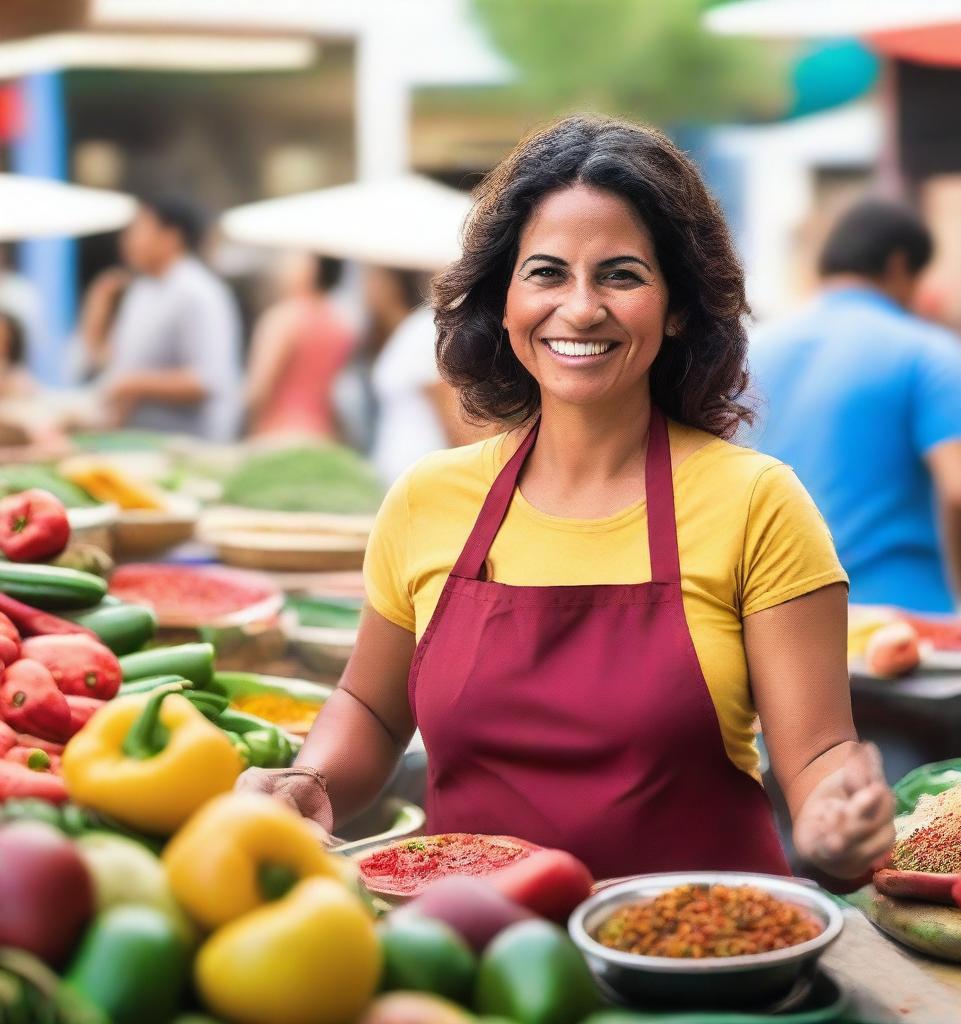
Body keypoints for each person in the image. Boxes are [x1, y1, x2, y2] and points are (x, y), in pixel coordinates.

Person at [239, 115, 894, 883]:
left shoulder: (758, 502)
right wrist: (309, 782)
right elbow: (374, 707)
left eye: (621, 274)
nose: (580, 308)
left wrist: (834, 817)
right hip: (472, 955)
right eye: (547, 273)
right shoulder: (427, 497)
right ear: (504, 299)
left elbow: (817, 751)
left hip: (695, 960)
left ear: (677, 305)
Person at [747, 198, 961, 614]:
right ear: (900, 266)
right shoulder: (926, 350)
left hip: (780, 616)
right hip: (905, 616)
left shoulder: (753, 351)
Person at [76, 194, 242, 441]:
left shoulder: (197, 292)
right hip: (137, 441)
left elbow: (209, 380)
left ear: (170, 236)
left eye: (139, 229)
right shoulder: (143, 289)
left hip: (187, 448)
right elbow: (115, 362)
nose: (127, 241)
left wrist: (132, 384)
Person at [365, 266, 475, 485]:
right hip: (403, 477)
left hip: (424, 478)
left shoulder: (426, 329)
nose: (366, 288)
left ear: (392, 284)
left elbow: (452, 414)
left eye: (372, 279)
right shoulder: (409, 329)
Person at [244, 252, 355, 439]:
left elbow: (259, 390)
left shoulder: (284, 318)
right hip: (324, 433)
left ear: (311, 268)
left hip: (279, 432)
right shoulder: (342, 323)